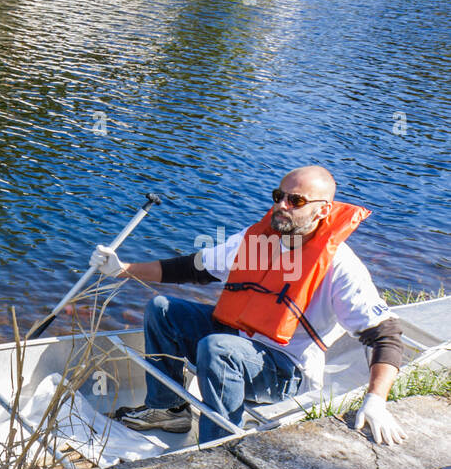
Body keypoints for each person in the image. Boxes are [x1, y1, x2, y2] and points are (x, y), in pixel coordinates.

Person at [89, 165, 407, 445]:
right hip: (241, 345)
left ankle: (222, 447)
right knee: (162, 309)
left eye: (295, 201)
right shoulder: (258, 239)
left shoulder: (339, 266)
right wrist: (123, 270)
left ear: (323, 211)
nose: (281, 206)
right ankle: (168, 410)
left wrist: (376, 400)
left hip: (288, 372)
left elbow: (387, 336)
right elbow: (193, 269)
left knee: (218, 349)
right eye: (278, 195)